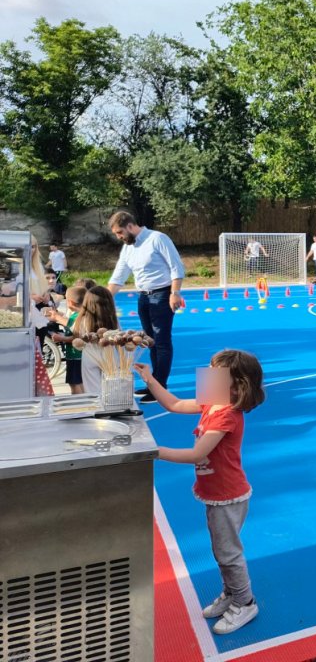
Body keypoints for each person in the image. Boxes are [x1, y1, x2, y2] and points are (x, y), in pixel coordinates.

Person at [134, 349, 264, 635]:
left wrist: (154, 451)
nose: (207, 376)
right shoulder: (213, 403)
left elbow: (197, 454)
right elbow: (175, 404)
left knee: (228, 553)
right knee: (221, 550)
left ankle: (245, 602)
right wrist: (150, 379)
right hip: (216, 492)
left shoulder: (226, 415)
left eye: (214, 373)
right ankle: (231, 592)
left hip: (228, 495)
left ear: (235, 385)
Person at [107, 211, 186, 402]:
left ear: (130, 226)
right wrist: (103, 298)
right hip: (143, 297)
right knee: (150, 342)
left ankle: (160, 387)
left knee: (162, 341)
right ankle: (154, 384)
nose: (119, 237)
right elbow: (119, 275)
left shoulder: (157, 238)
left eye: (120, 232)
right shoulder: (128, 248)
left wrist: (175, 293)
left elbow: (176, 267)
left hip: (162, 295)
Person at [73, 286, 120, 395]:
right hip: (109, 354)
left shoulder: (81, 320)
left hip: (90, 354)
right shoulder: (112, 319)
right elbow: (118, 337)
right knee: (113, 390)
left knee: (92, 392)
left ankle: (97, 405)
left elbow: (78, 336)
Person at [28, 236, 55, 396]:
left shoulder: (37, 266)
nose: (31, 250)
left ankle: (36, 391)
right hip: (27, 313)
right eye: (29, 246)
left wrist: (45, 294)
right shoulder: (16, 267)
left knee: (38, 354)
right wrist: (30, 296)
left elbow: (45, 287)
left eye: (33, 247)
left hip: (39, 313)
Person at [46, 286, 86, 394]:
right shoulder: (81, 314)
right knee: (80, 381)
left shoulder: (77, 317)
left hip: (75, 356)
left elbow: (78, 337)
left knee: (74, 383)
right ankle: (85, 399)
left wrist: (61, 338)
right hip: (79, 356)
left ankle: (79, 401)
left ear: (70, 302)